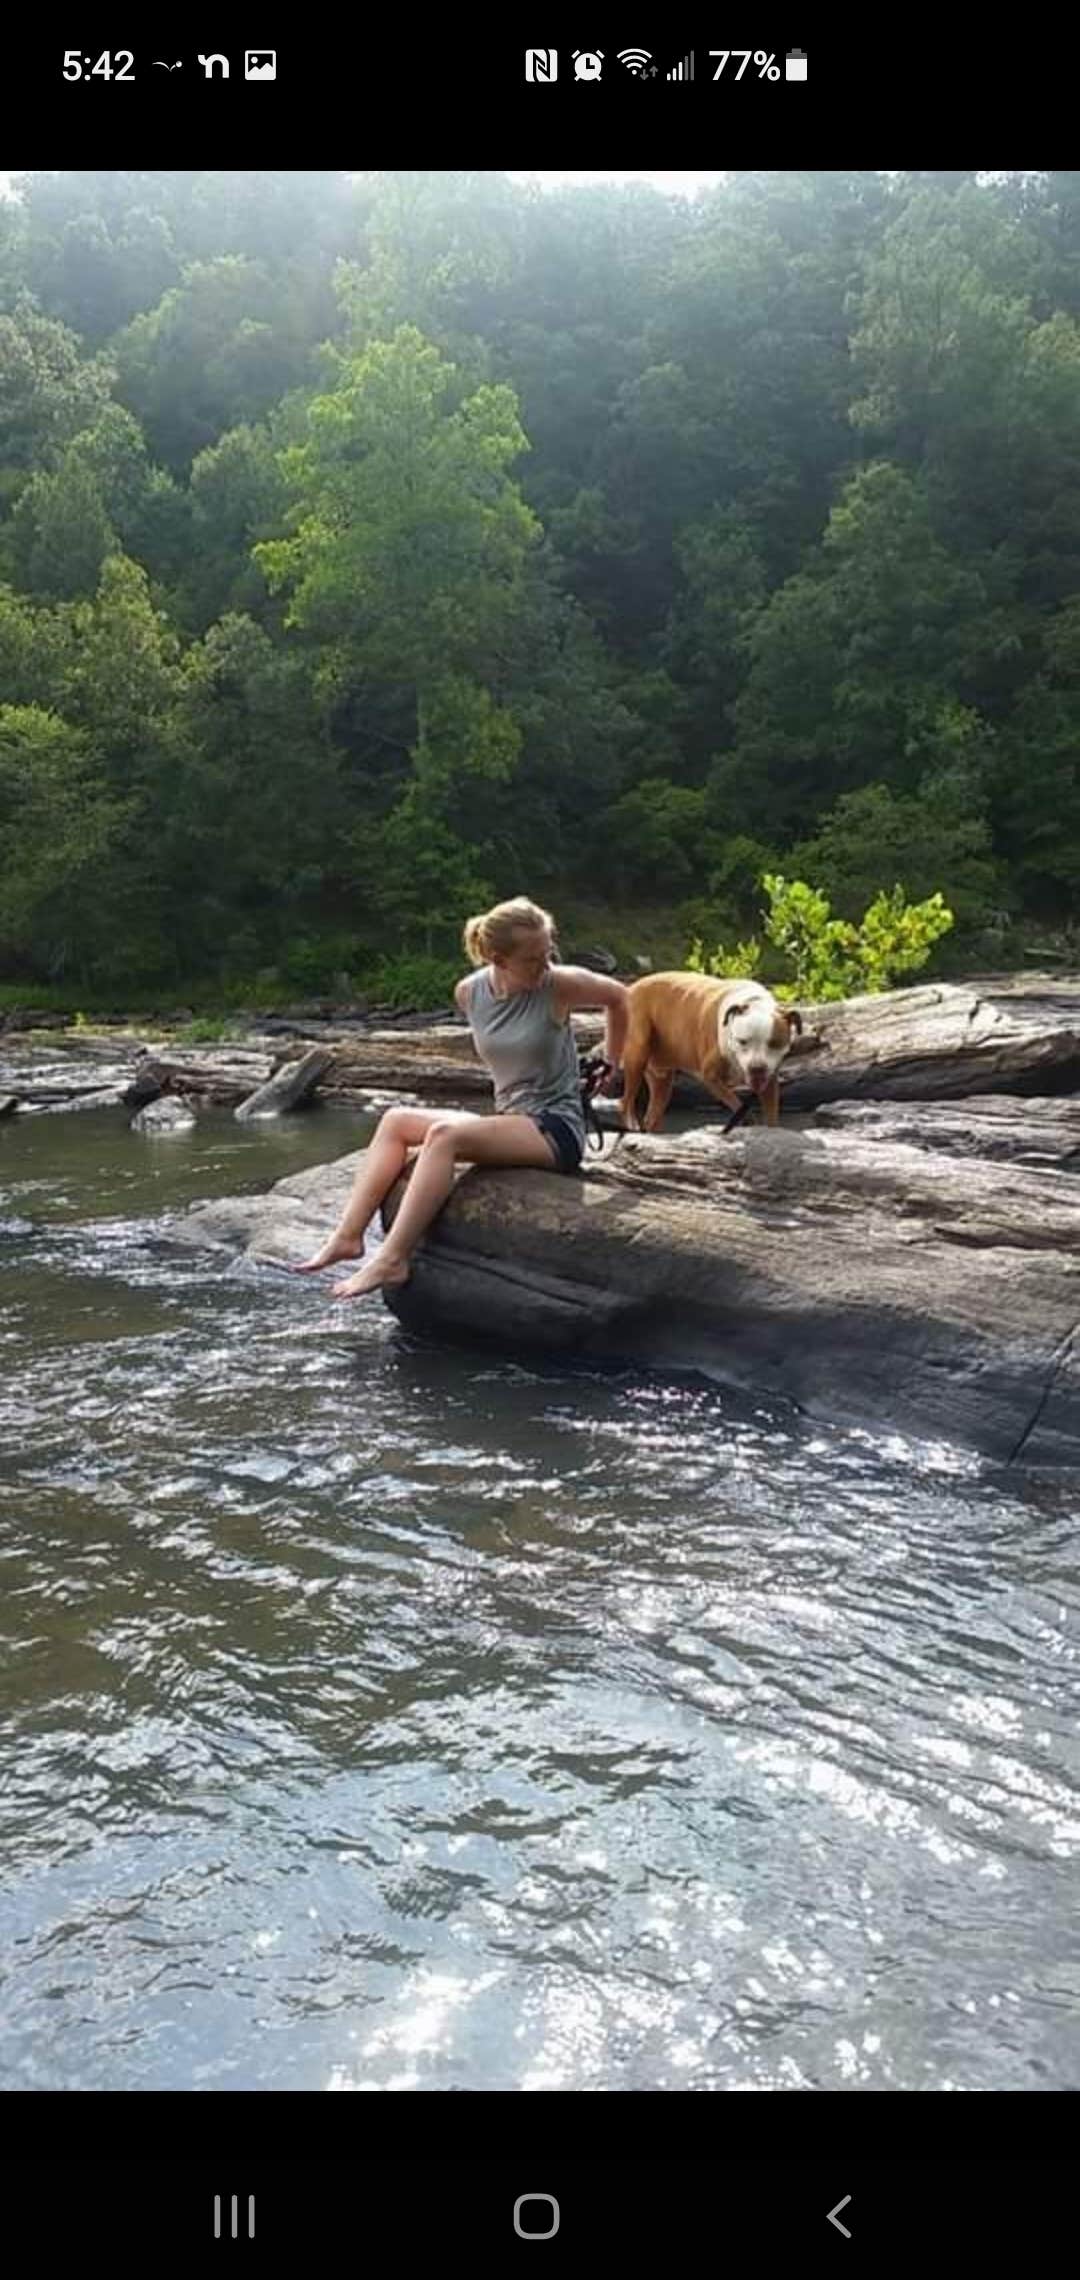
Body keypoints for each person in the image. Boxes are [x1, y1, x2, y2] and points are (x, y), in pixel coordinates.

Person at [292, 896, 629, 1301]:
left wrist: (611, 1061)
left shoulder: (559, 984)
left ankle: (393, 1257)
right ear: (497, 959)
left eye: (548, 953)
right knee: (396, 1120)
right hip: (511, 1117)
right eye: (533, 959)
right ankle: (348, 1237)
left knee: (444, 1137)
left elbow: (620, 997)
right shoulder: (469, 993)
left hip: (556, 1128)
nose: (545, 965)